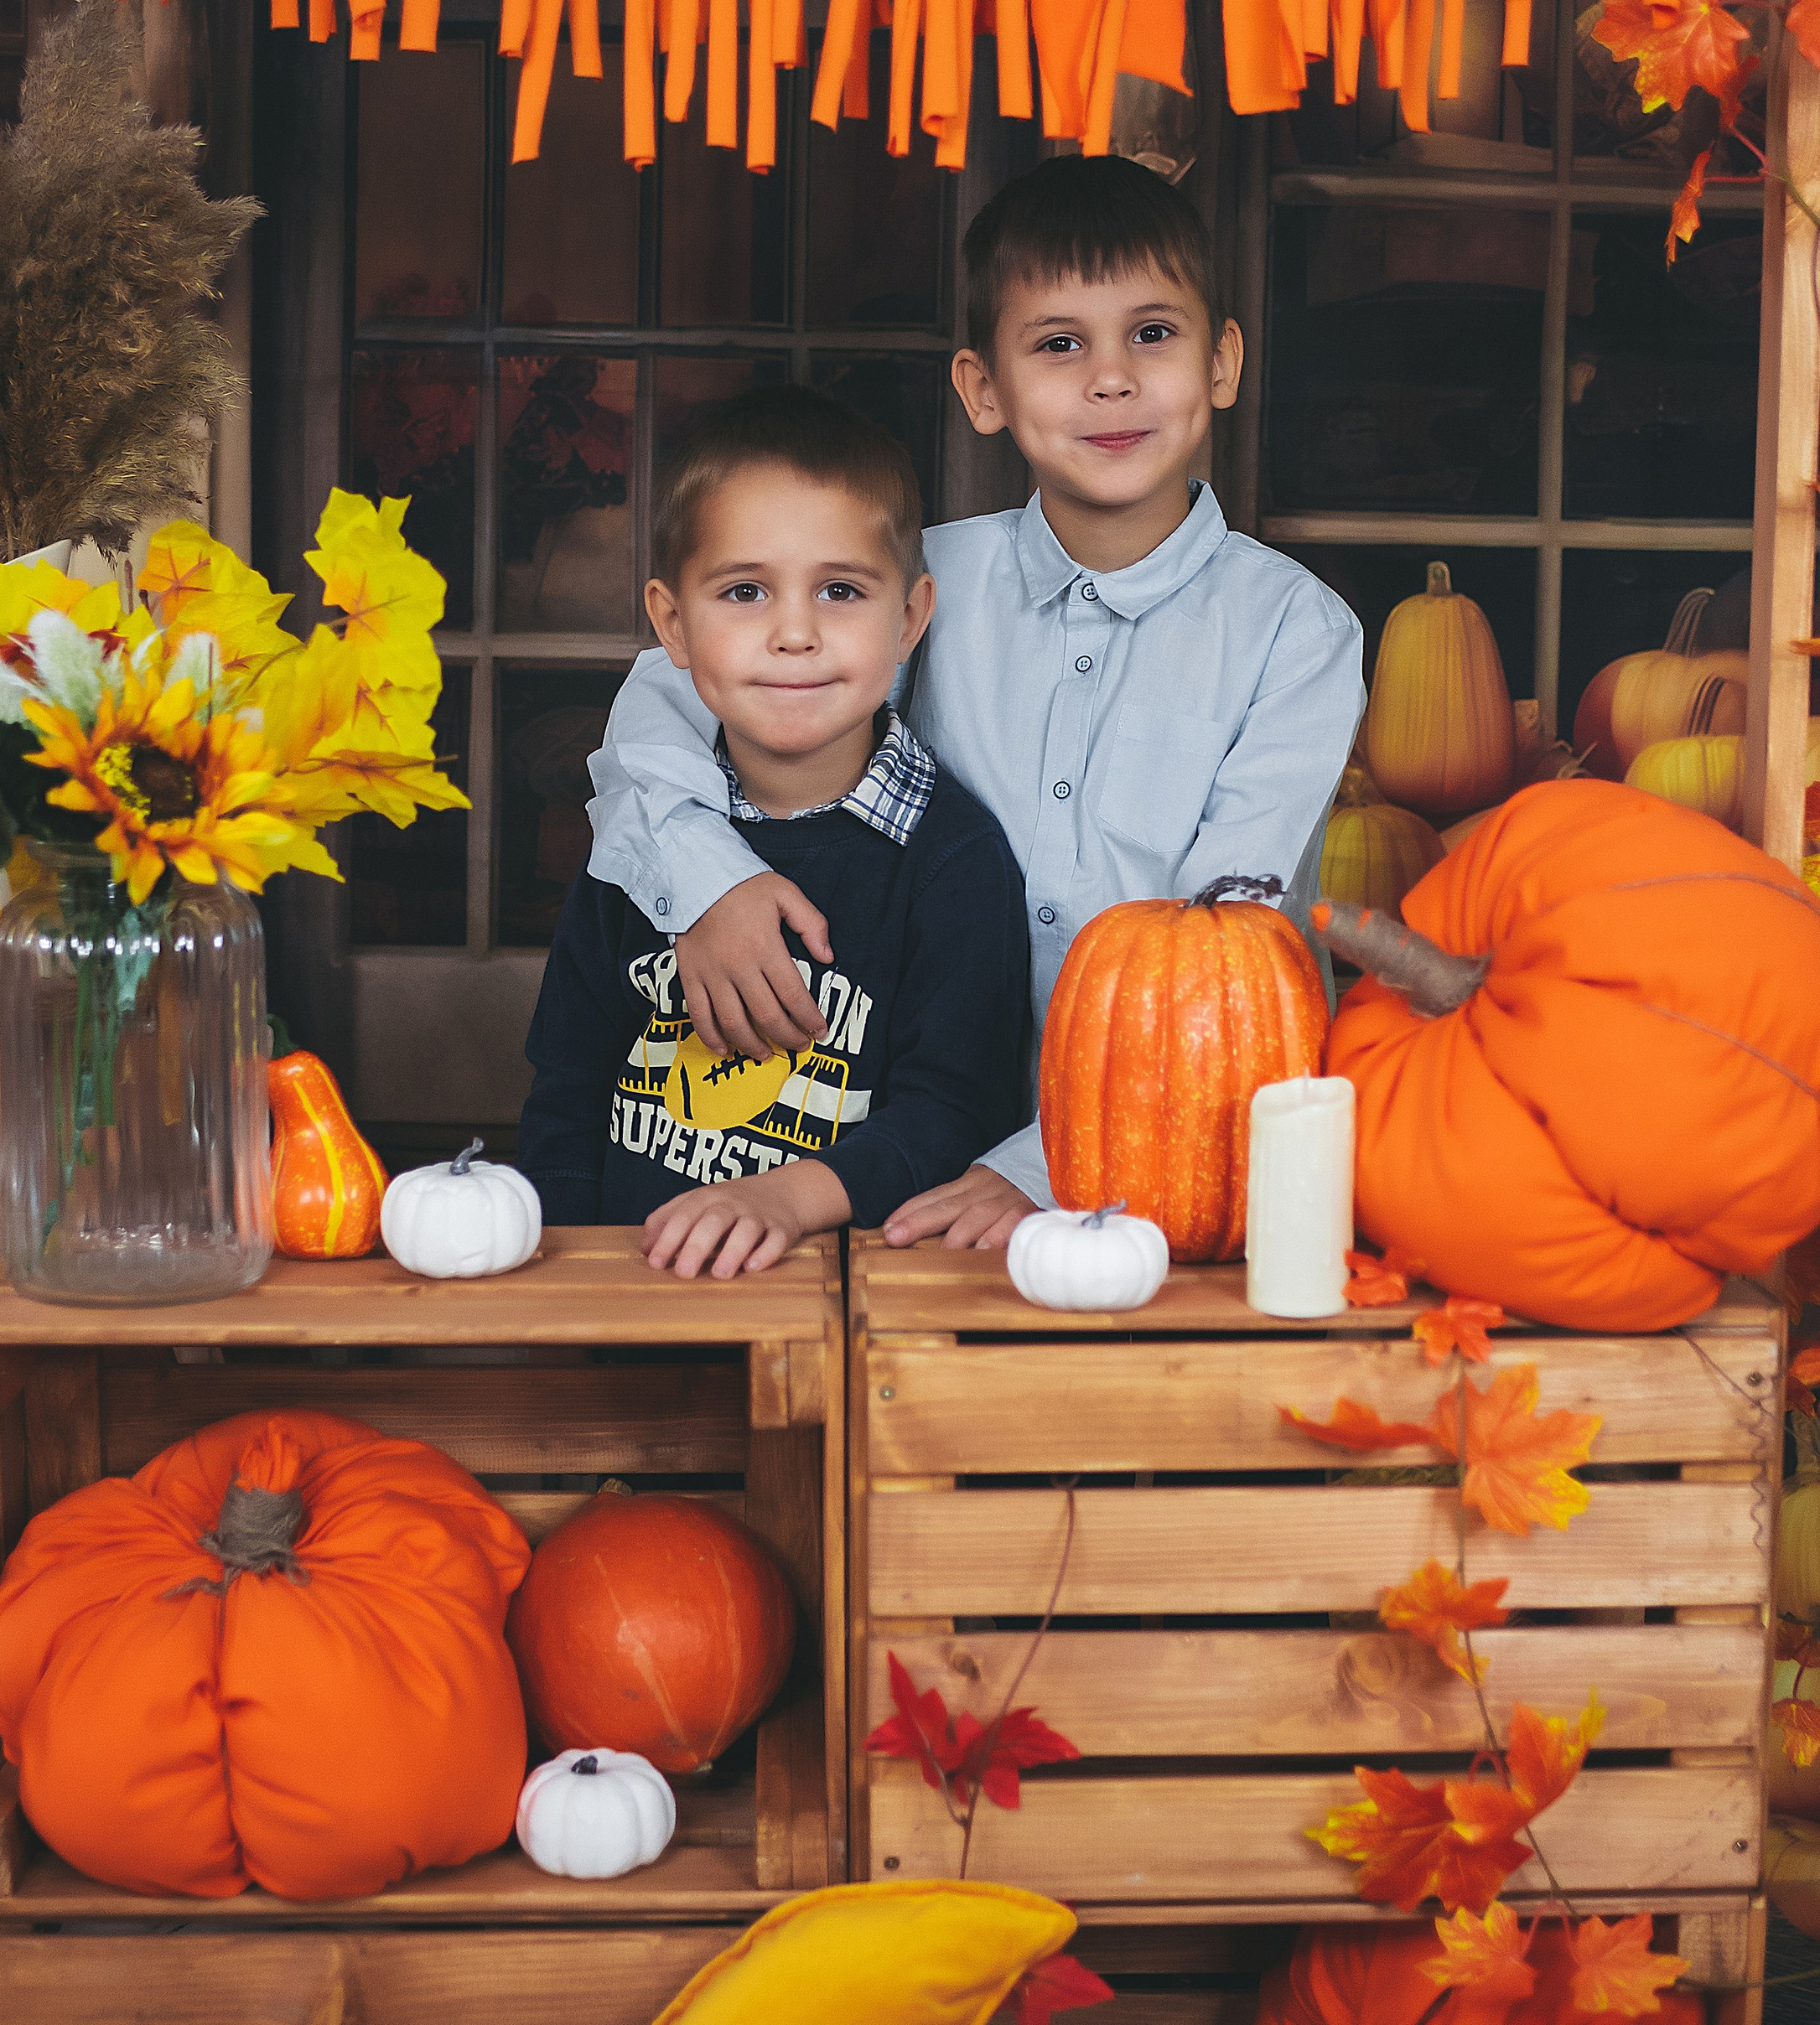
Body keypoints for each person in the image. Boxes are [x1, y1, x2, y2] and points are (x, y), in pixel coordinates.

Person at [585, 157, 1366, 1251]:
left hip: (1189, 1159)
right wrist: (705, 879)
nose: (1110, 380)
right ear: (983, 389)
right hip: (908, 1146)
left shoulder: (1296, 630)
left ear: (1222, 360)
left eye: (1152, 334)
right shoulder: (913, 590)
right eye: (1059, 343)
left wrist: (1039, 1166)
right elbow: (664, 693)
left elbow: (1216, 950)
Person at [516, 388, 1031, 1278]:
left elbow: (951, 1111)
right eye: (745, 591)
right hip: (631, 1298)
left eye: (840, 590)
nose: (795, 633)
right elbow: (567, 1087)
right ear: (672, 625)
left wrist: (785, 1200)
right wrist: (563, 1287)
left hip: (845, 1313)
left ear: (908, 619)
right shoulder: (643, 845)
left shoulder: (953, 862)